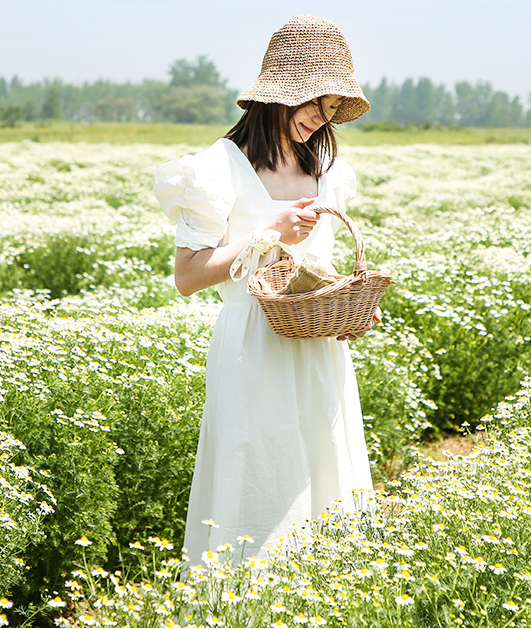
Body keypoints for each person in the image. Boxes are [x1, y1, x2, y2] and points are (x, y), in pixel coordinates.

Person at [153, 14, 379, 566]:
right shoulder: (217, 169)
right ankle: (242, 604)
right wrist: (266, 236)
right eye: (314, 104)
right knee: (258, 470)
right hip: (252, 344)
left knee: (326, 470)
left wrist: (351, 302)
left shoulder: (328, 172)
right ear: (284, 91)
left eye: (330, 111)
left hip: (320, 346)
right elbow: (187, 276)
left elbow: (318, 269)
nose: (319, 121)